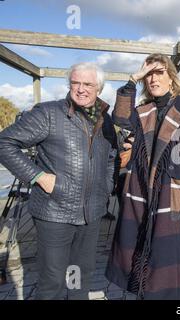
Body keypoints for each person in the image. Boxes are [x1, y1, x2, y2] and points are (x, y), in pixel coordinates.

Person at [0, 62, 118, 299]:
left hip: (91, 214)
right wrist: (38, 176)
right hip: (54, 213)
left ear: (99, 89)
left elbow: (111, 157)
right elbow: (5, 143)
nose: (81, 89)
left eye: (88, 84)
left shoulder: (104, 120)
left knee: (80, 276)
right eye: (75, 83)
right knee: (52, 281)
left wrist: (104, 189)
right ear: (69, 84)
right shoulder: (48, 113)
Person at [105, 53, 180, 300]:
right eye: (148, 74)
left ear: (171, 78)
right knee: (143, 254)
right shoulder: (143, 109)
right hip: (141, 191)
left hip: (174, 193)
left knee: (173, 258)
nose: (153, 79)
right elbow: (119, 117)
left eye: (159, 72)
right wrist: (132, 79)